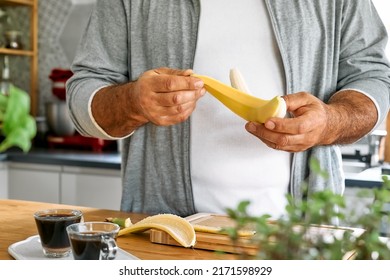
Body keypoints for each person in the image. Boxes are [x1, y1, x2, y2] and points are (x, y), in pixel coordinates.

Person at [66, 0, 390, 218]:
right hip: (165, 231)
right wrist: (133, 101)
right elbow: (83, 95)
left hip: (300, 235)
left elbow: (373, 75)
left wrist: (332, 121)